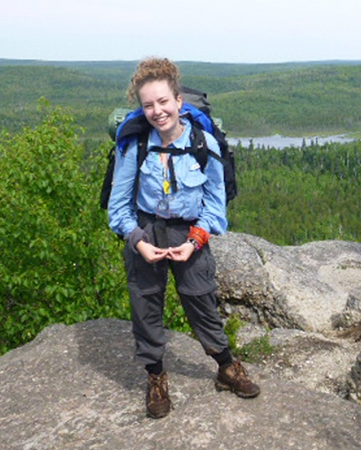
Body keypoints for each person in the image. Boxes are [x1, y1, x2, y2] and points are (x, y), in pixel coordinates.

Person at [108, 57, 259, 419]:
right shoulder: (134, 145)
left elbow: (215, 206)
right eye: (148, 105)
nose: (157, 111)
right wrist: (138, 241)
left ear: (178, 101)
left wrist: (194, 241)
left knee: (201, 300)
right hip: (146, 228)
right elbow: (118, 208)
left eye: (163, 102)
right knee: (146, 306)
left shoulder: (203, 143)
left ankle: (226, 367)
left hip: (189, 232)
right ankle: (156, 377)